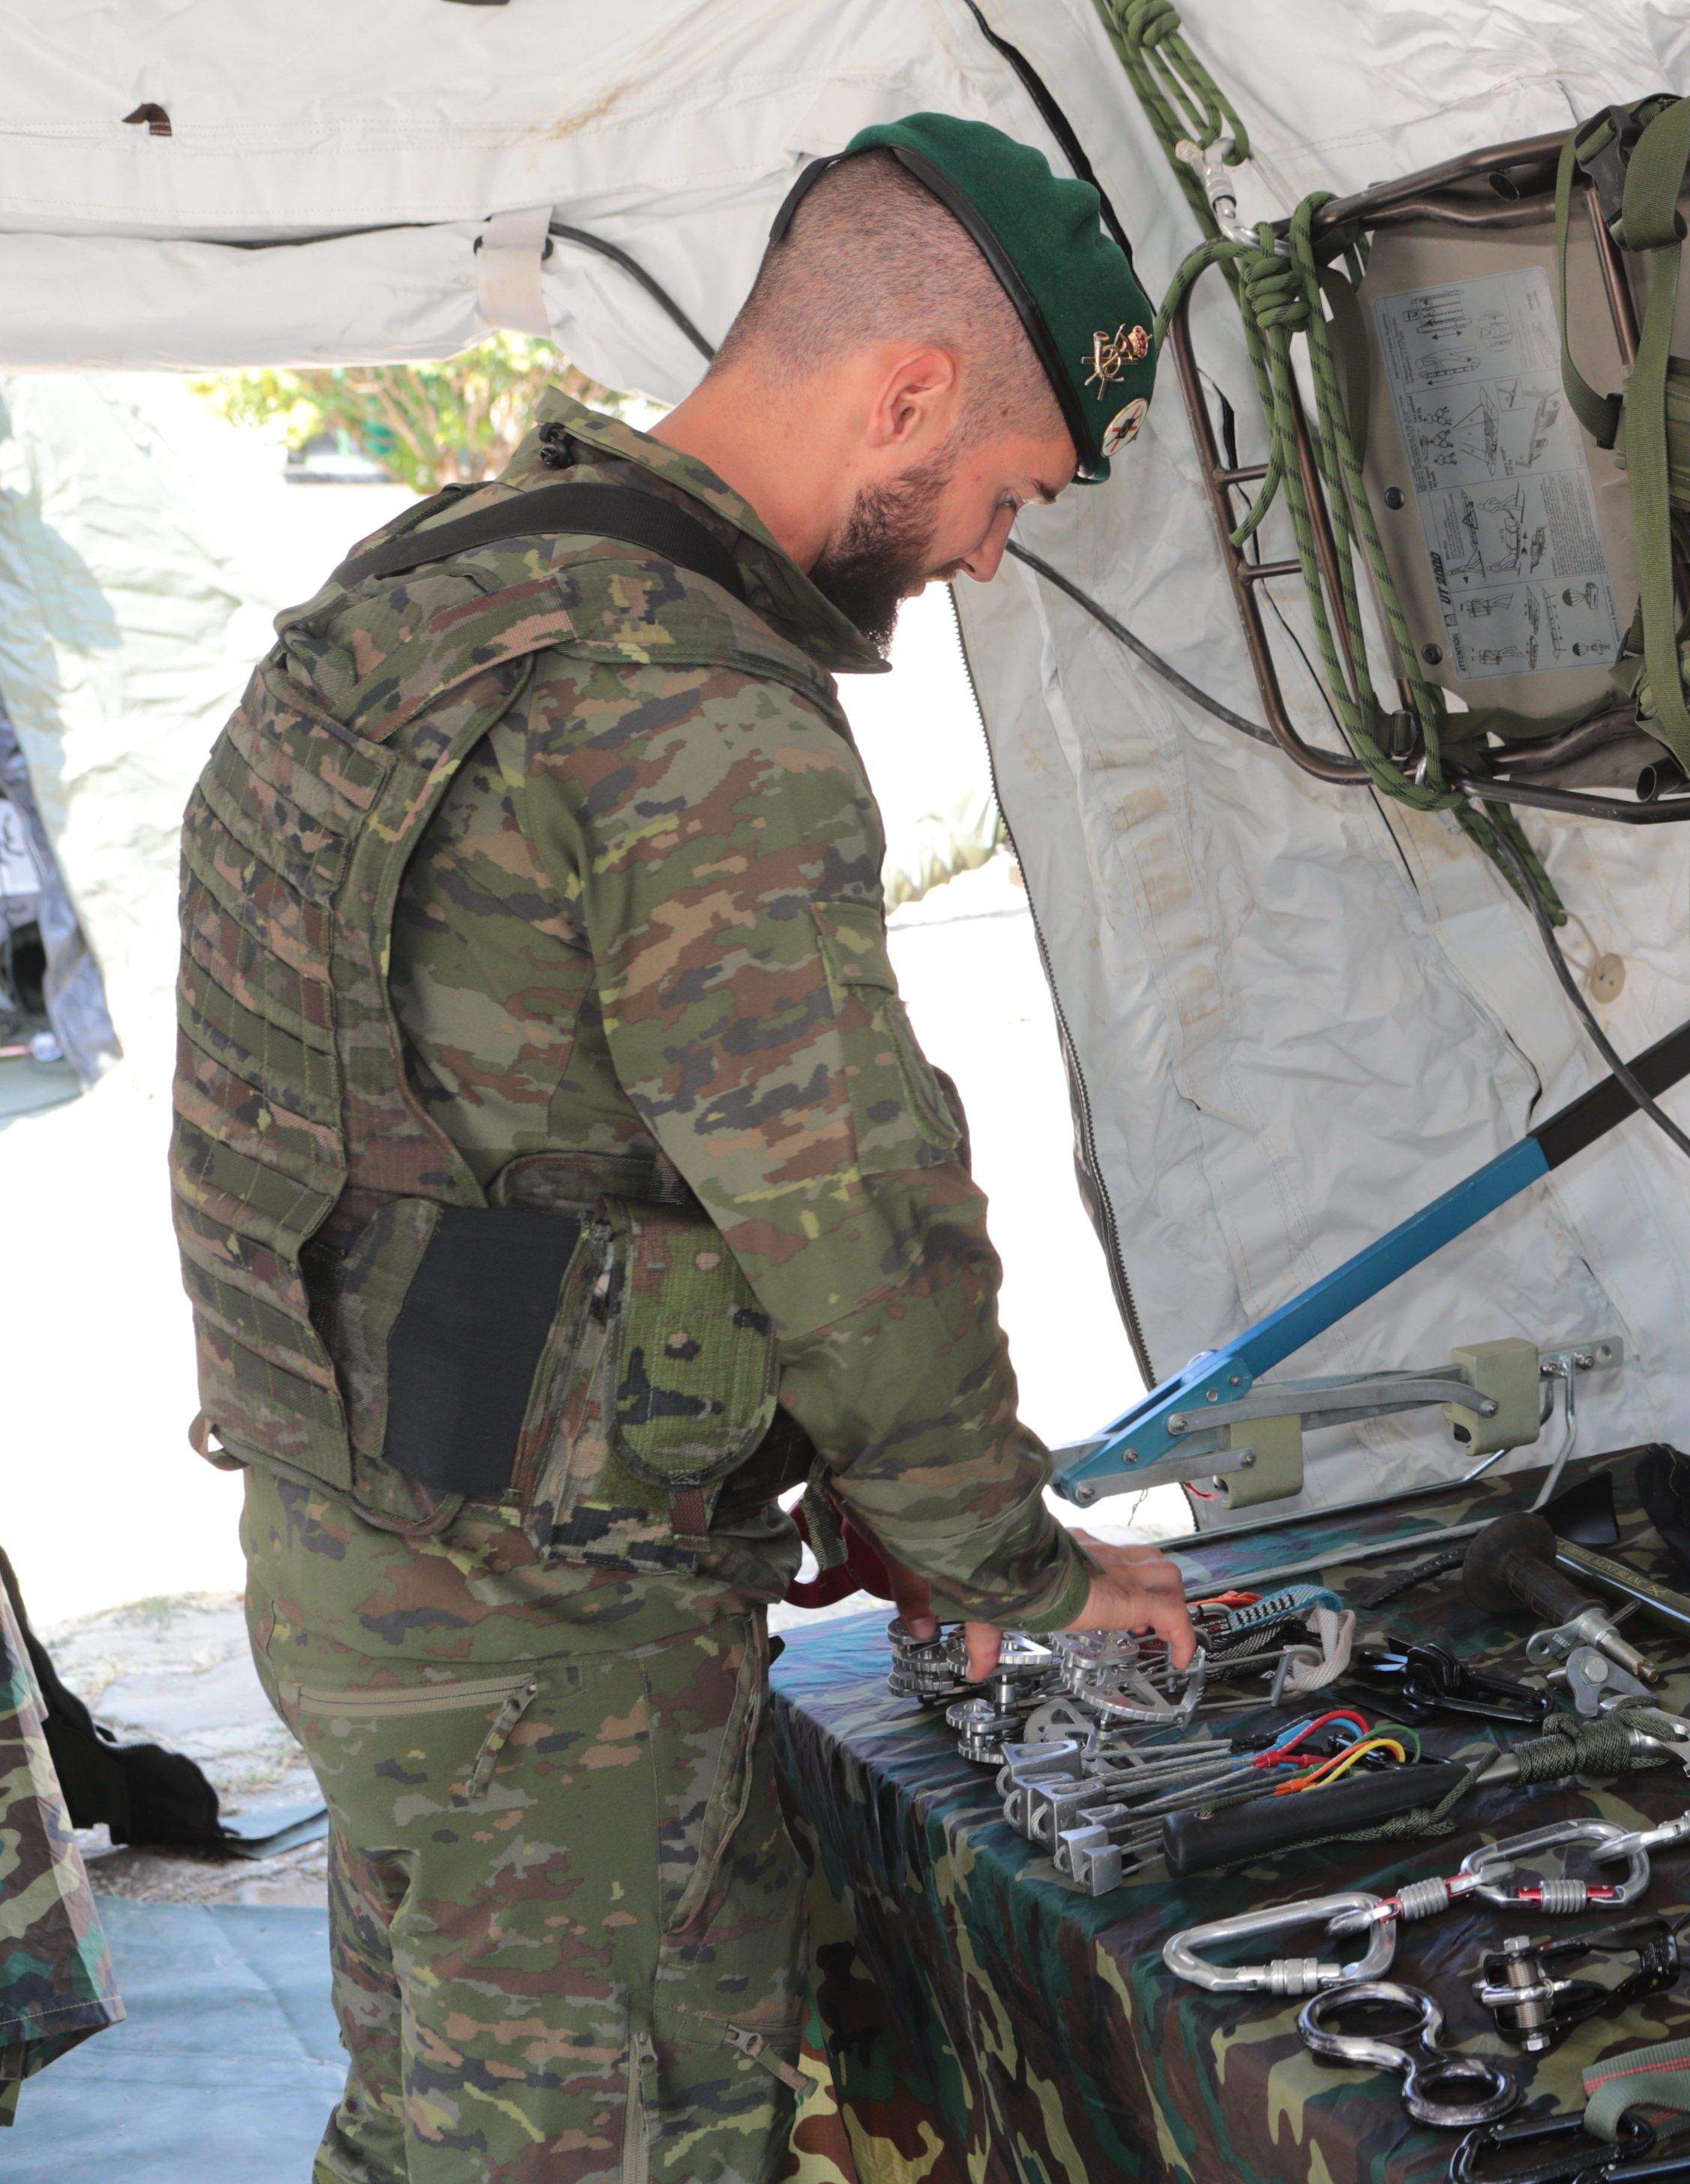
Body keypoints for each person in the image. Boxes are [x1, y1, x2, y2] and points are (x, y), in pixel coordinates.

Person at [168, 114, 1182, 2182]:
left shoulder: (438, 587)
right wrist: (1016, 1557)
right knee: (629, 2136)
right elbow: (846, 1211)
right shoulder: (695, 707)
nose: (988, 550)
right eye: (1005, 491)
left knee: (448, 2117)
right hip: (550, 1630)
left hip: (362, 1548)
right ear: (905, 394)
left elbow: (437, 1133)